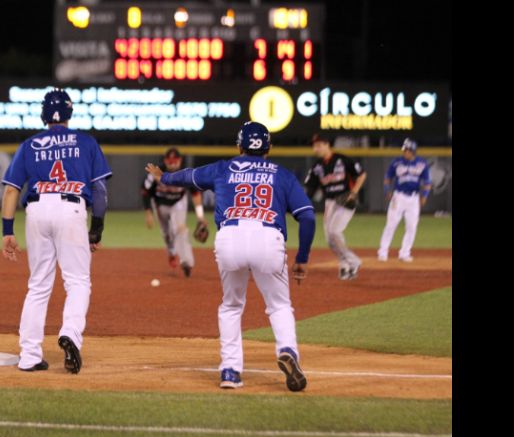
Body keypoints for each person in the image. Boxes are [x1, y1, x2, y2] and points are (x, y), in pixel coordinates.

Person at [145, 121, 316, 392]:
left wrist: (163, 176)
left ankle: (230, 371)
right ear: (268, 148)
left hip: (230, 238)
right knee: (279, 306)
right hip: (267, 238)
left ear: (239, 146)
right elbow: (307, 216)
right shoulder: (282, 174)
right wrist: (303, 258)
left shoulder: (223, 168)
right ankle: (288, 351)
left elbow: (188, 176)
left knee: (231, 306)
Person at [1, 88, 112, 374]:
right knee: (77, 281)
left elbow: (12, 189)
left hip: (37, 210)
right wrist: (96, 229)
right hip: (70, 208)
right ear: (70, 112)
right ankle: (71, 334)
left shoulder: (29, 144)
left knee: (38, 285)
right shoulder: (86, 142)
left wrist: (7, 230)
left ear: (43, 114)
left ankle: (29, 356)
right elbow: (99, 190)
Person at [304, 133, 367, 280]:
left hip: (345, 201)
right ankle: (345, 265)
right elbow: (309, 189)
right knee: (330, 240)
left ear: (327, 144)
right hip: (330, 203)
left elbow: (362, 174)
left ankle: (354, 261)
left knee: (334, 231)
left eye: (318, 145)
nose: (316, 148)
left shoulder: (342, 160)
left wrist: (354, 192)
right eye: (314, 145)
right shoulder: (317, 167)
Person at [141, 147, 207, 277]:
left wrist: (200, 216)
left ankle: (186, 261)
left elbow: (195, 194)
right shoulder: (156, 172)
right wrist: (148, 212)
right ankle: (171, 252)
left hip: (178, 203)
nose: (172, 163)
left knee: (180, 229)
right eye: (169, 160)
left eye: (175, 160)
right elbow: (145, 191)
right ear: (165, 160)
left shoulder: (186, 173)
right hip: (160, 204)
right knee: (166, 234)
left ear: (180, 160)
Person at [377, 138, 432, 262]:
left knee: (412, 226)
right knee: (391, 224)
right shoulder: (396, 162)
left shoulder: (422, 163)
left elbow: (428, 182)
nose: (405, 152)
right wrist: (387, 190)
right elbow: (388, 177)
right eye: (404, 150)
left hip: (414, 198)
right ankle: (383, 252)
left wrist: (424, 195)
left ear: (413, 151)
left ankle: (405, 253)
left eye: (407, 150)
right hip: (398, 196)